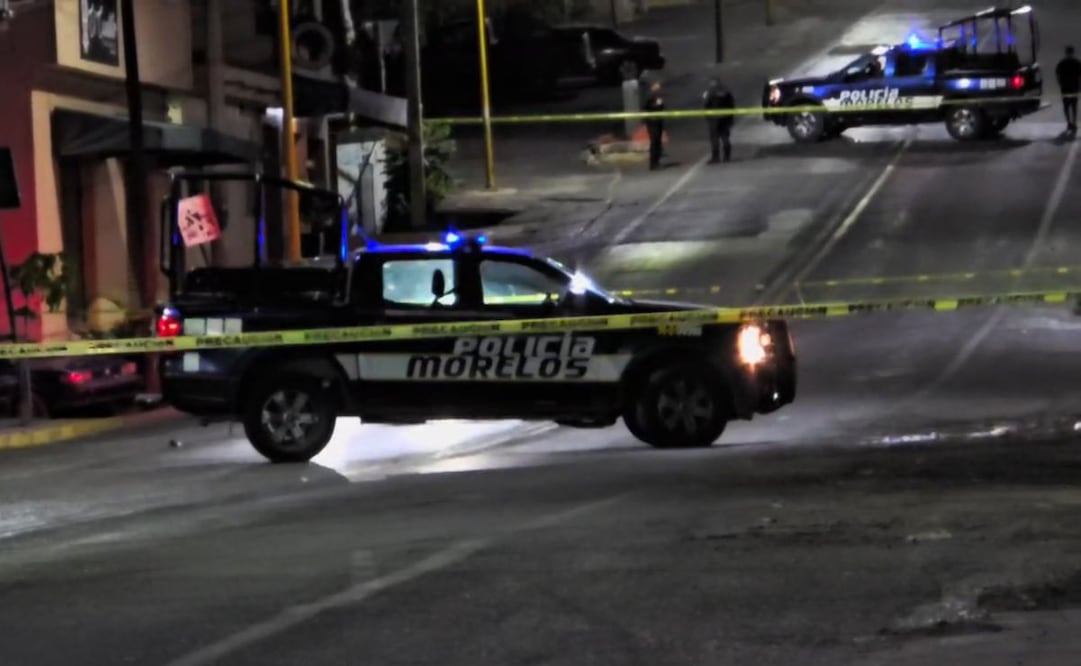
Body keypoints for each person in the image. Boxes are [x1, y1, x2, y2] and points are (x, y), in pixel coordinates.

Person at [703, 78, 735, 163]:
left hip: (714, 119)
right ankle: (727, 157)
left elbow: (706, 105)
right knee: (725, 137)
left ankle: (715, 157)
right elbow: (731, 105)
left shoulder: (710, 93)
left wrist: (707, 116)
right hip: (725, 117)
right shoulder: (726, 92)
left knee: (714, 138)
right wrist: (731, 118)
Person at [1055, 46, 1081, 134]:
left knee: (1067, 106)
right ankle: (1072, 122)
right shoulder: (1076, 63)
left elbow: (1057, 74)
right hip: (1073, 87)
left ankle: (1069, 122)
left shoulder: (1062, 63)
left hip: (1066, 87)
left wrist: (1060, 83)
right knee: (1073, 106)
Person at [643, 81, 665, 170]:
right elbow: (646, 107)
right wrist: (657, 105)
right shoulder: (649, 96)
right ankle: (653, 163)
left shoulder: (657, 96)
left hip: (658, 121)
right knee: (654, 141)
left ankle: (657, 162)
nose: (659, 88)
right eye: (657, 87)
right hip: (652, 122)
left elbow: (662, 107)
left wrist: (660, 104)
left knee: (658, 142)